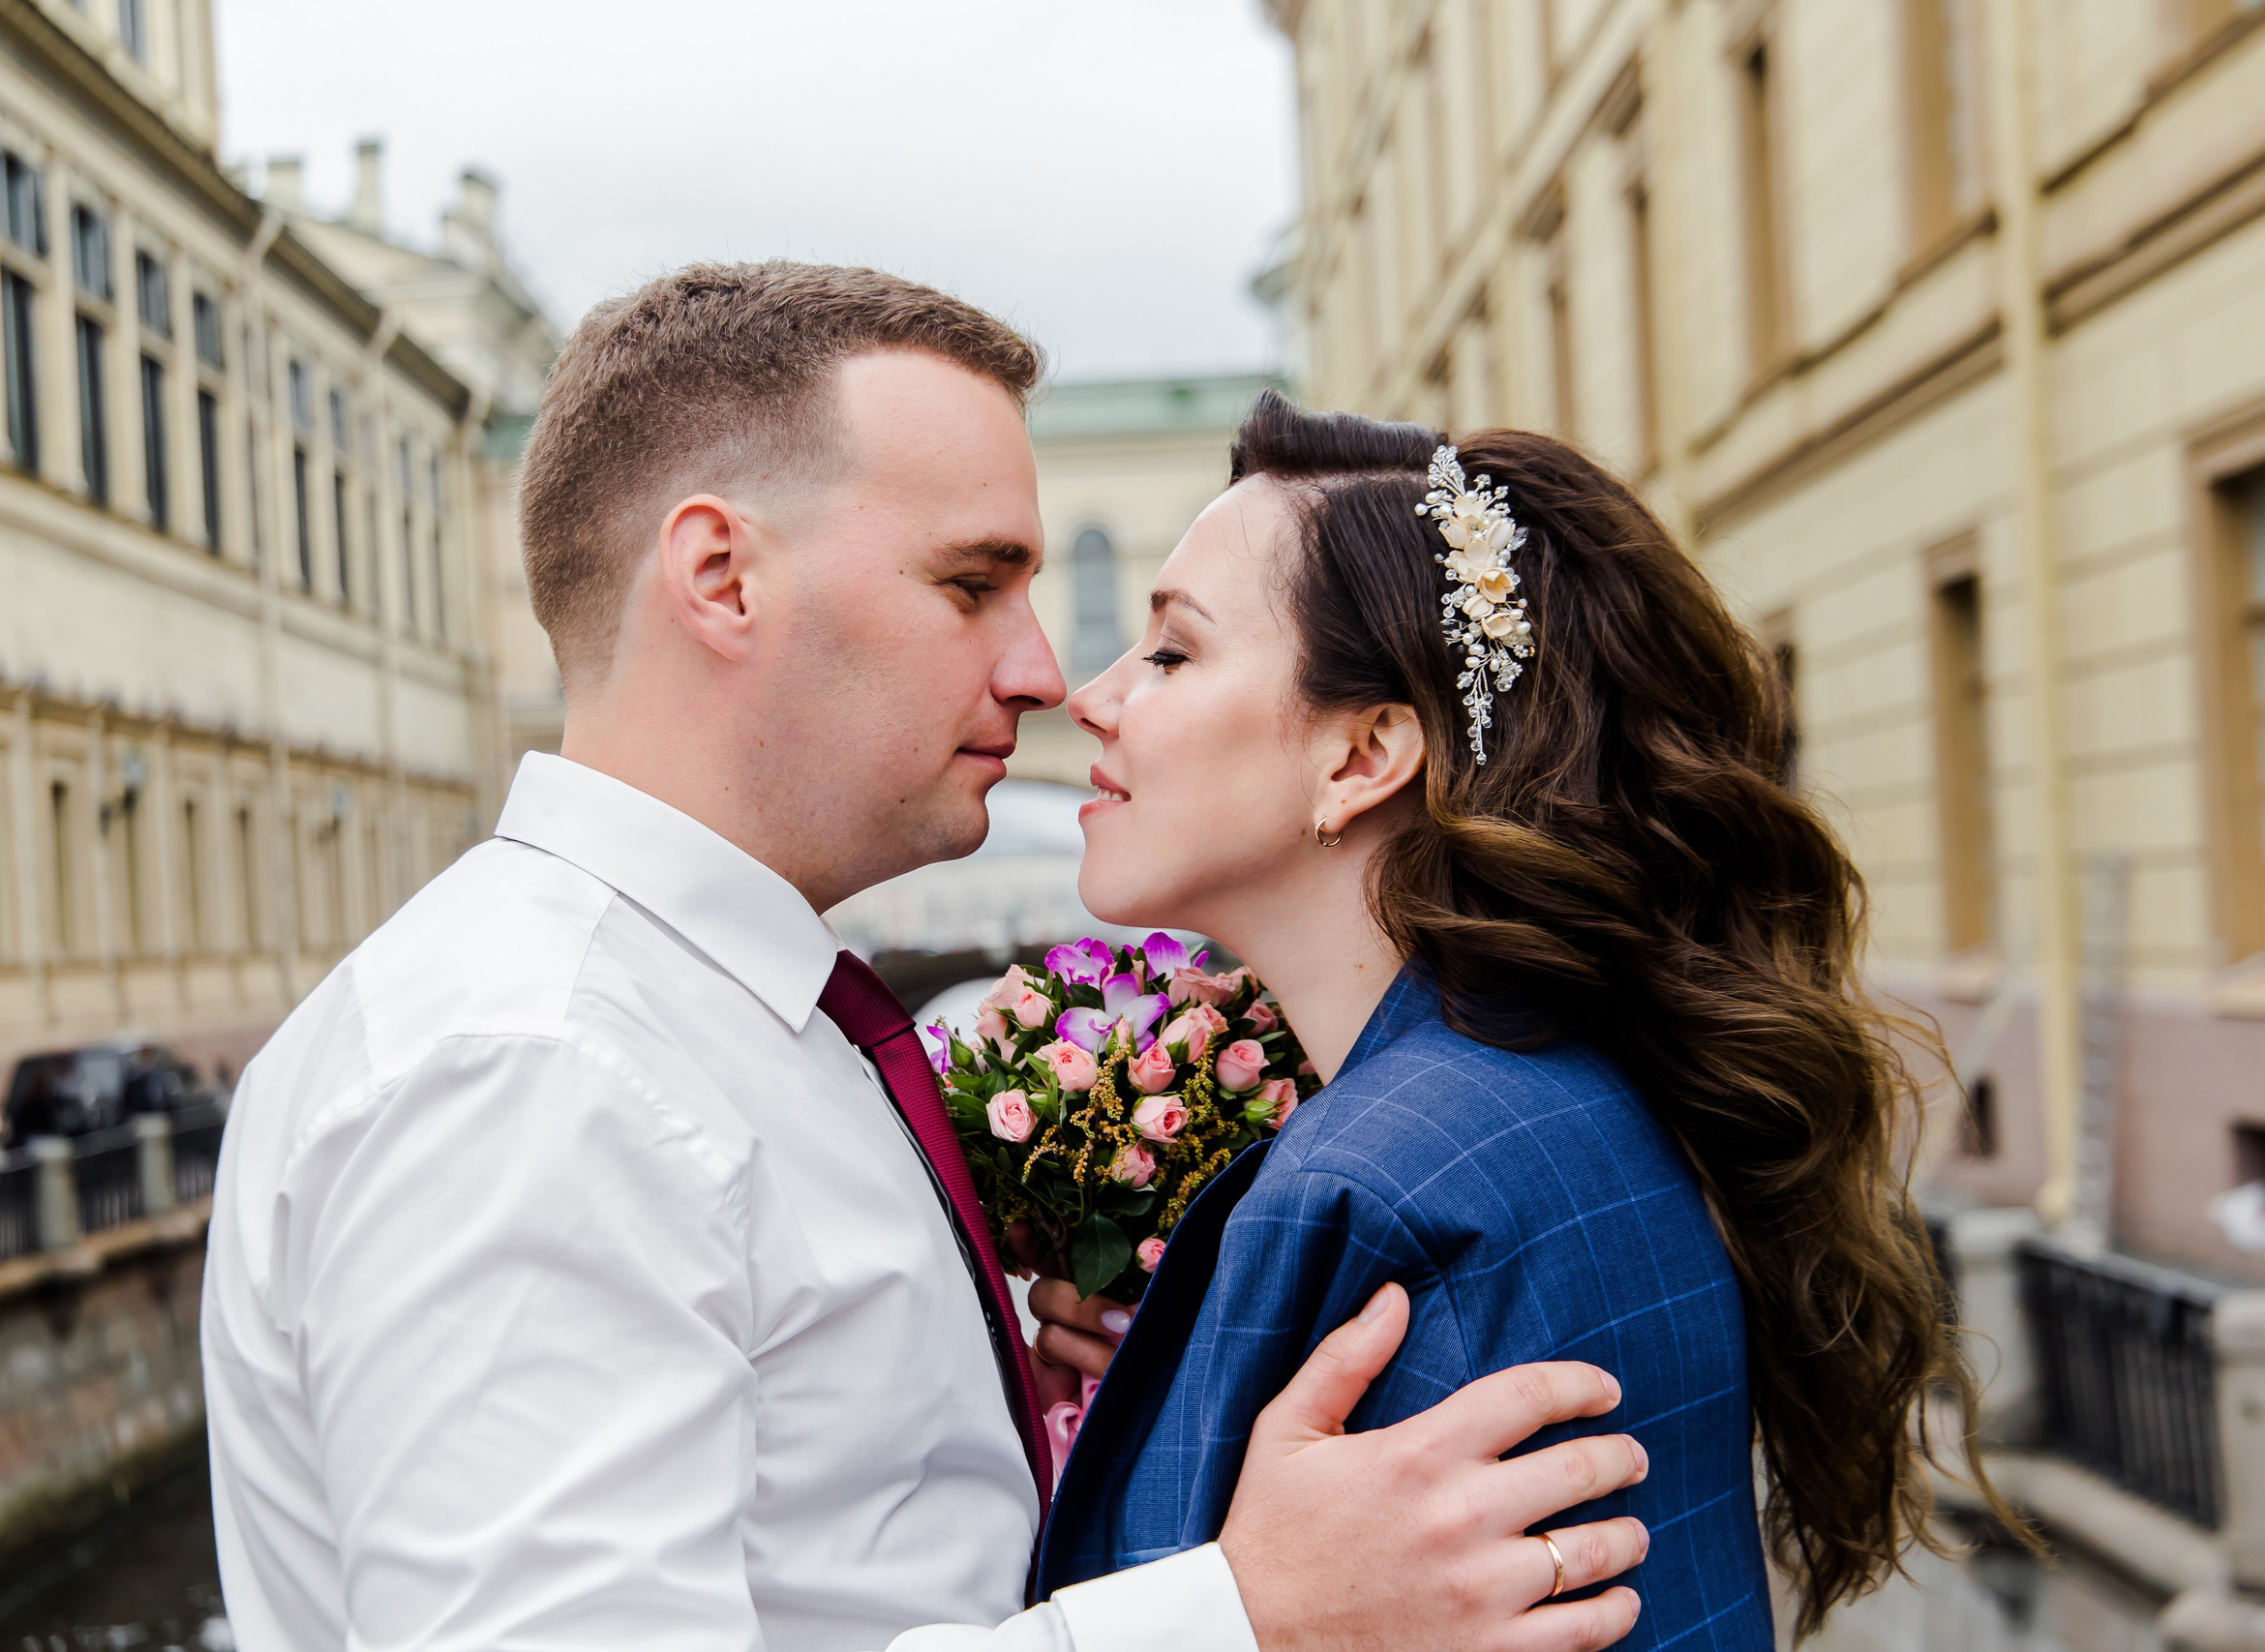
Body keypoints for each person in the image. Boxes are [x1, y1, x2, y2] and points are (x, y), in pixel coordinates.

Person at [198, 266, 1656, 1652]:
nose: (1044, 674)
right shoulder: (530, 1070)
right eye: (971, 586)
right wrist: (1246, 1617)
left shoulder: (702, 1021)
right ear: (722, 577)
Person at [1030, 394, 2014, 1643]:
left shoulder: (1376, 1189)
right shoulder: (1569, 1086)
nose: (1092, 696)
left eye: (1172, 653)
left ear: (1362, 756)